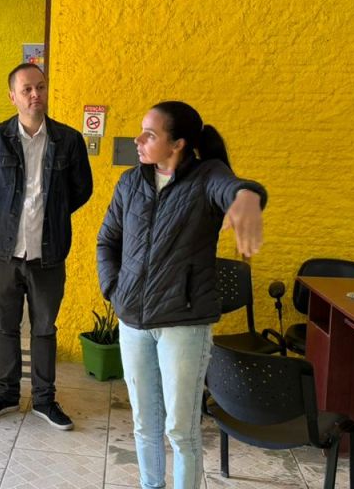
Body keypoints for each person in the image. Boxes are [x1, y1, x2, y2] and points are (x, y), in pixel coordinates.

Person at [96, 101, 267, 489]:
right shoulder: (130, 182)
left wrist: (247, 197)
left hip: (184, 323)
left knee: (180, 429)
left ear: (178, 144)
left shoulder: (208, 176)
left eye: (150, 135)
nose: (138, 140)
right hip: (133, 321)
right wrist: (114, 290)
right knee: (144, 422)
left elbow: (235, 188)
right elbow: (107, 240)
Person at [0, 63, 93, 430]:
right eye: (26, 89)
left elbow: (81, 190)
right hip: (5, 253)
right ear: (13, 96)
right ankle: (6, 394)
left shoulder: (68, 140)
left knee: (44, 328)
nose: (35, 94)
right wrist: (11, 218)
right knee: (4, 326)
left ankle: (44, 399)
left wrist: (52, 214)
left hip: (49, 253)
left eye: (40, 87)